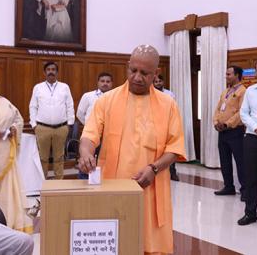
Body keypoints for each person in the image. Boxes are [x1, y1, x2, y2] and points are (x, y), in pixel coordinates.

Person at [79, 45, 186, 255]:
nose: (137, 77)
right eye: (133, 70)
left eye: (144, 73)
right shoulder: (106, 101)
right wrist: (86, 153)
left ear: (156, 74)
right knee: (114, 242)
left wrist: (154, 169)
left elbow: (175, 147)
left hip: (151, 187)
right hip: (113, 185)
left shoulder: (168, 105)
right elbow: (89, 136)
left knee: (151, 245)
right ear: (127, 67)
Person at [0, 72, 33, 232]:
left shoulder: (4, 103)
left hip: (3, 154)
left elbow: (18, 120)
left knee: (3, 190)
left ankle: (5, 221)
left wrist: (13, 130)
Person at [237, 59, 257, 225]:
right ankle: (250, 213)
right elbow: (243, 114)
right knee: (250, 178)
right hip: (251, 139)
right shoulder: (250, 91)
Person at [29, 61, 75, 179]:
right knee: (42, 157)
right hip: (42, 128)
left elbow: (69, 105)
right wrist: (34, 124)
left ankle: (58, 182)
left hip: (61, 128)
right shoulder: (38, 87)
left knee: (59, 157)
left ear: (57, 72)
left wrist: (69, 124)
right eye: (48, 69)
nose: (51, 71)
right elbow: (33, 106)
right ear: (45, 72)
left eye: (53, 69)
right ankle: (41, 181)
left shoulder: (64, 87)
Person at [213, 66, 246, 200]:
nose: (226, 76)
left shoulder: (243, 91)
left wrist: (227, 124)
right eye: (226, 74)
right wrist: (216, 122)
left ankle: (245, 190)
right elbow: (217, 109)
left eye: (228, 74)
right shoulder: (225, 91)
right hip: (222, 132)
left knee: (240, 162)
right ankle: (228, 187)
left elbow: (241, 112)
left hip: (235, 131)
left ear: (237, 75)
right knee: (224, 160)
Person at [153, 74, 179, 182]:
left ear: (163, 82)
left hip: (167, 125)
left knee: (170, 149)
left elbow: (173, 110)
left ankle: (172, 172)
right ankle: (156, 170)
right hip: (154, 125)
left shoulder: (169, 94)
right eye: (156, 82)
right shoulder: (150, 94)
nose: (158, 83)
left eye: (160, 81)